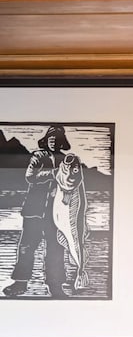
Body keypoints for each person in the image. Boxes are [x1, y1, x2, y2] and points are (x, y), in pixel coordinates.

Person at [3, 124, 71, 298]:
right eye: (51, 137)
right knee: (26, 247)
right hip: (34, 212)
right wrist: (53, 174)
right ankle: (20, 284)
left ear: (62, 142)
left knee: (56, 249)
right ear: (46, 140)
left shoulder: (67, 160)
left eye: (57, 138)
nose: (54, 141)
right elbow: (30, 176)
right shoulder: (38, 156)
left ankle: (56, 286)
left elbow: (73, 183)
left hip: (55, 214)